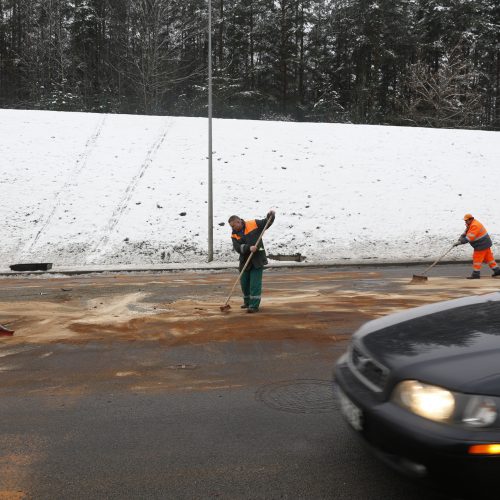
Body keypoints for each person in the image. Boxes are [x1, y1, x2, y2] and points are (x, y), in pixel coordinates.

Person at [228, 210, 275, 313]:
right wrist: (248, 248)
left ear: (239, 221)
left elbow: (266, 223)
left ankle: (254, 306)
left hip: (257, 259)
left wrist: (270, 216)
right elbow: (237, 248)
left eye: (233, 226)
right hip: (245, 261)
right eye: (231, 227)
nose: (233, 228)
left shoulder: (253, 224)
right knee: (244, 282)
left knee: (255, 284)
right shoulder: (234, 235)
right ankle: (247, 302)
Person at [454, 213, 500, 279]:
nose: (465, 221)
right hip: (485, 244)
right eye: (465, 220)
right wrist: (460, 239)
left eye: (466, 220)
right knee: (489, 258)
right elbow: (466, 232)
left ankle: (476, 274)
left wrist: (460, 242)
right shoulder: (470, 224)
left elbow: (469, 238)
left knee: (477, 259)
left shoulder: (475, 225)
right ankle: (497, 270)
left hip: (481, 245)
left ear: (471, 219)